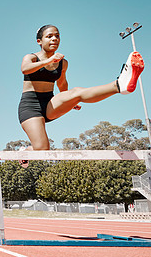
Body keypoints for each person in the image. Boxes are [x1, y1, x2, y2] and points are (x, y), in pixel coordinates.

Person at [17, 24, 144, 166]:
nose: (54, 39)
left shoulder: (62, 63)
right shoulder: (31, 57)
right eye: (49, 36)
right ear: (39, 41)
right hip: (30, 106)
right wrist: (48, 60)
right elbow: (25, 69)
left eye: (57, 36)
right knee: (42, 149)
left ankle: (118, 85)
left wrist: (69, 101)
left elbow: (62, 84)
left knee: (77, 92)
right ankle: (25, 152)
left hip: (49, 103)